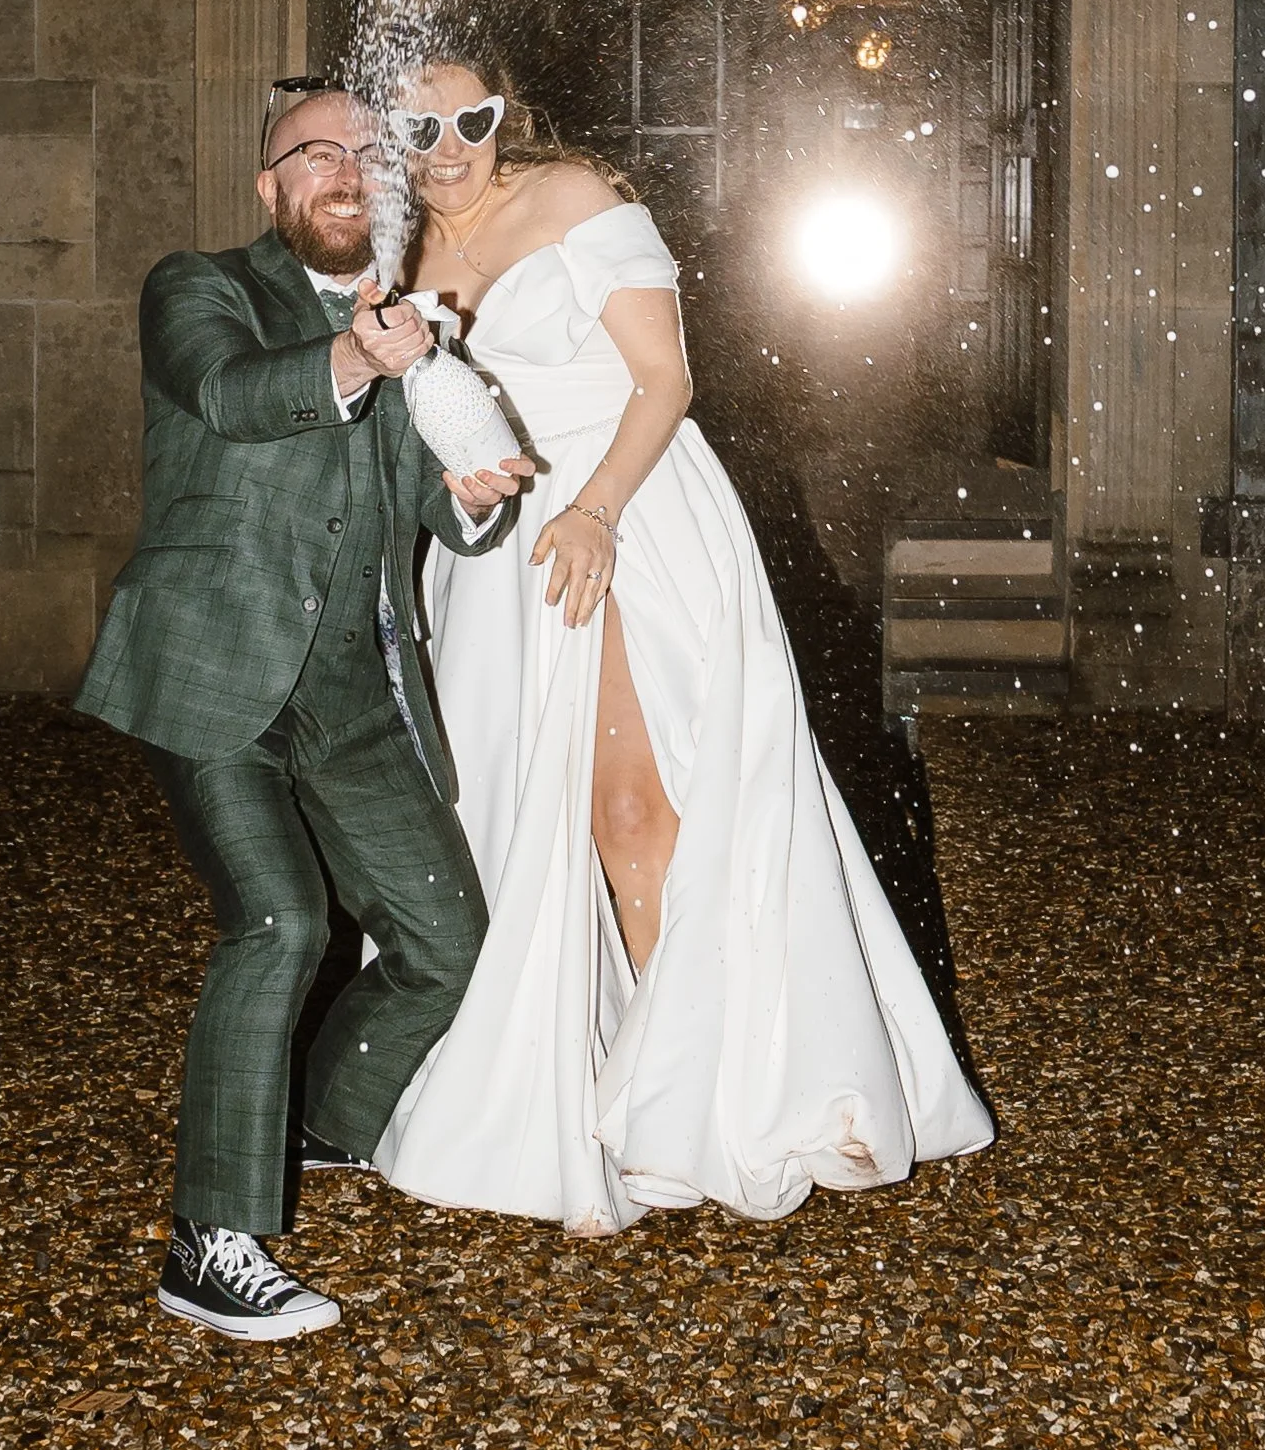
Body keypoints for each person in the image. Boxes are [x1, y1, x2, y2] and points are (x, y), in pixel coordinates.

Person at [372, 60, 994, 1235]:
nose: (449, 144)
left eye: (472, 119)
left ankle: (687, 1102)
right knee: (507, 819)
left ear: (507, 115)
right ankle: (558, 1084)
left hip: (626, 513)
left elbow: (666, 381)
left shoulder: (574, 203)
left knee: (637, 814)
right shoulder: (395, 252)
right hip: (493, 548)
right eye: (419, 125)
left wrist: (596, 511)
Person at [75, 81, 529, 1340]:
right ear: (270, 189)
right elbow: (226, 396)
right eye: (312, 155)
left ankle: (317, 1127)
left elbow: (438, 511)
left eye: (368, 154)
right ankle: (208, 1242)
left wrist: (480, 494)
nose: (346, 170)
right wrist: (355, 355)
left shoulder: (411, 330)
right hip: (213, 669)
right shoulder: (200, 288)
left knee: (444, 942)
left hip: (357, 690)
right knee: (277, 922)